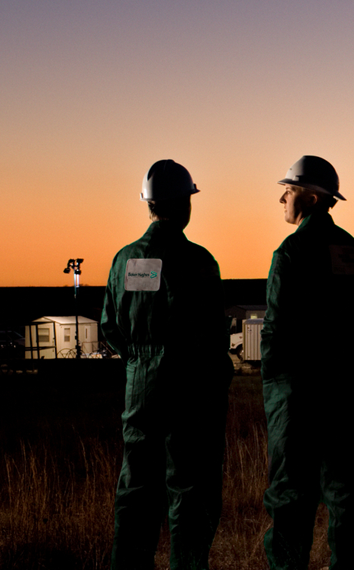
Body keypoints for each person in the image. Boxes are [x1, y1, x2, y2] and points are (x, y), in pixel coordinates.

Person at [101, 159, 232, 570]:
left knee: (137, 490)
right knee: (191, 493)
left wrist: (142, 359)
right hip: (189, 386)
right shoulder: (197, 261)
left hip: (140, 387)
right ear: (184, 204)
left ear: (149, 204)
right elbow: (213, 332)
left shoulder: (124, 261)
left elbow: (110, 326)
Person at [261, 155, 354, 570]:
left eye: (289, 191)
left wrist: (276, 388)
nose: (282, 198)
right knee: (347, 491)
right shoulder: (352, 250)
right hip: (344, 383)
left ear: (310, 198)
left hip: (298, 388)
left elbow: (274, 329)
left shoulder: (292, 251)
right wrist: (341, 355)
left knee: (291, 492)